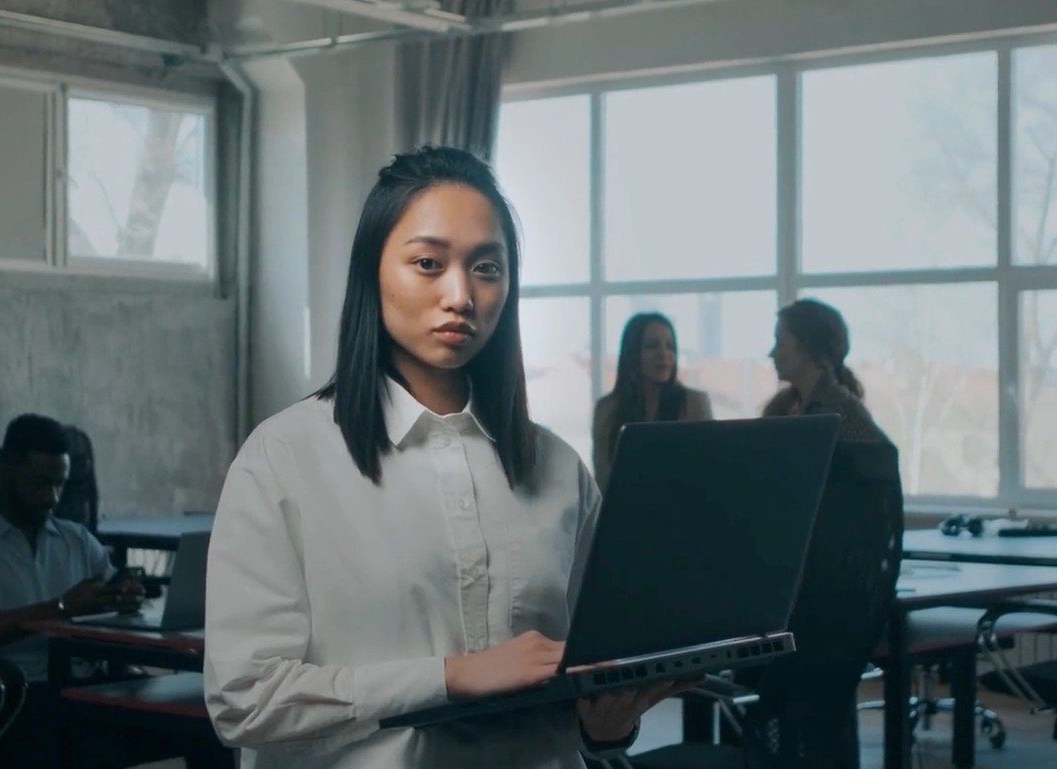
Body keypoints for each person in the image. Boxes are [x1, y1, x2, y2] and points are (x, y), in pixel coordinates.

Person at [203, 146, 685, 769]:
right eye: (428, 263)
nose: (461, 295)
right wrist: (451, 676)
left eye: (487, 268)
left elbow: (583, 693)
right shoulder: (285, 457)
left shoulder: (560, 470)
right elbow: (243, 701)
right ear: (371, 271)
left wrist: (606, 728)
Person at [0, 415, 223, 768]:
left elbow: (111, 595)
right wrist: (62, 606)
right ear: (6, 471)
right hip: (15, 694)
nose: (51, 497)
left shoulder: (75, 540)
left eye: (60, 484)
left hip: (88, 682)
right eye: (40, 483)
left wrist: (126, 597)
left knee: (204, 719)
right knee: (95, 736)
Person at [591, 312, 713, 480]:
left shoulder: (694, 402)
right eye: (652, 346)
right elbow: (603, 480)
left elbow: (708, 469)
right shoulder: (607, 408)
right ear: (633, 353)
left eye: (670, 347)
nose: (664, 354)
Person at [764, 299, 890, 444]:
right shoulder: (793, 409)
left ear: (808, 347)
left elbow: (882, 458)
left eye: (780, 343)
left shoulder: (843, 415)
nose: (772, 354)